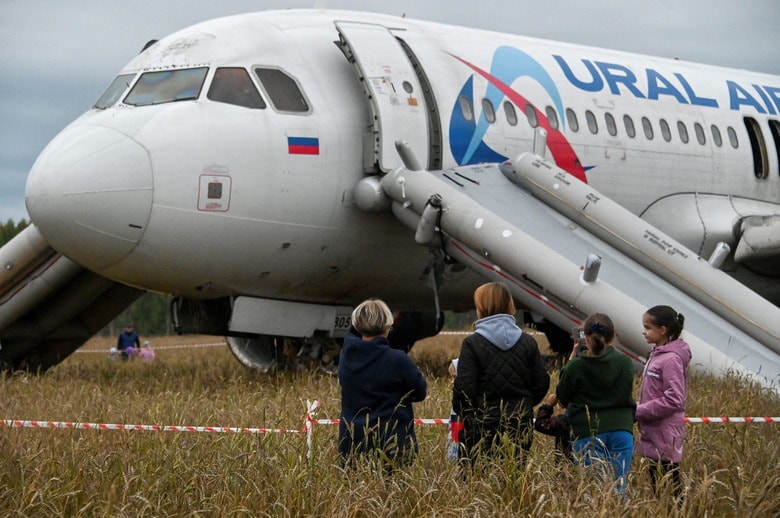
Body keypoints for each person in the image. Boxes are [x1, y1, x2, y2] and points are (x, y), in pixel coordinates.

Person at [452, 282, 549, 466]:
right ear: (509, 304)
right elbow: (541, 383)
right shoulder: (528, 342)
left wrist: (470, 415)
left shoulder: (472, 343)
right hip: (519, 424)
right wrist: (524, 406)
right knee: (514, 482)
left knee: (478, 483)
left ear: (482, 307)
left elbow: (464, 391)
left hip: (480, 427)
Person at [338, 299, 427, 471]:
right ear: (388, 326)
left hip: (350, 443)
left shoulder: (345, 356)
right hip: (392, 443)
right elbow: (421, 391)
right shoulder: (397, 359)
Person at [555, 313, 635, 495]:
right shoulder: (625, 363)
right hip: (622, 430)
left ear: (586, 338)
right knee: (619, 488)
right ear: (612, 337)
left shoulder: (576, 366)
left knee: (594, 492)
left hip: (587, 431)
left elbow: (562, 397)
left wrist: (569, 364)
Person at [636, 305, 691, 501]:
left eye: (648, 327)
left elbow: (675, 399)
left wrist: (639, 411)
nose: (644, 331)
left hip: (665, 435)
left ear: (663, 330)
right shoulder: (657, 355)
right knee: (657, 488)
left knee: (670, 488)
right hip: (653, 431)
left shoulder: (670, 359)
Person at [534, 393, 573, 461]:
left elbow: (541, 423)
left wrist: (548, 405)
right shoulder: (593, 416)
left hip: (567, 468)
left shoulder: (564, 421)